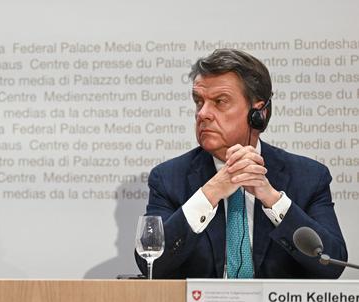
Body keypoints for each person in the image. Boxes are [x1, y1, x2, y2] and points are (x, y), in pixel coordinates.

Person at [135, 48, 347, 279]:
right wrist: (210, 193)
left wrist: (273, 200)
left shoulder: (308, 177)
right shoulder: (168, 178)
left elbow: (332, 265)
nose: (203, 114)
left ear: (258, 114)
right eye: (199, 102)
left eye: (219, 102)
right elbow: (151, 265)